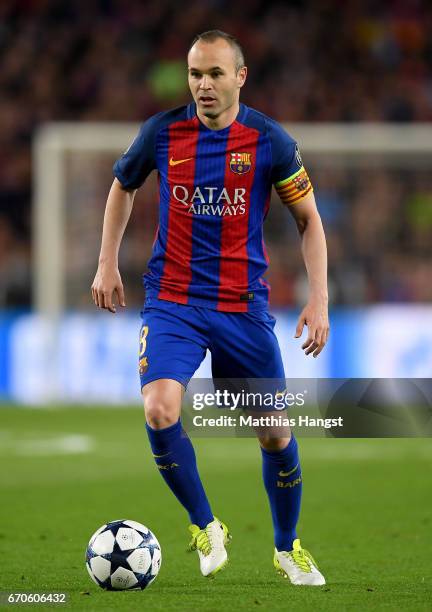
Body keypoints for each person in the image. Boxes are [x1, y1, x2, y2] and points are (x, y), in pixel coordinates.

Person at [92, 30, 329, 586]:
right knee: (160, 409)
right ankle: (206, 526)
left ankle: (287, 546)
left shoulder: (269, 140)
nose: (203, 85)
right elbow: (121, 187)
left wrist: (319, 298)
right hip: (172, 300)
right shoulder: (162, 130)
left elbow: (309, 220)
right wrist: (106, 263)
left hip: (242, 307)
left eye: (215, 74)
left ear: (240, 77)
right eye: (195, 74)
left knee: (273, 433)